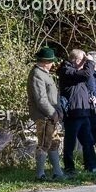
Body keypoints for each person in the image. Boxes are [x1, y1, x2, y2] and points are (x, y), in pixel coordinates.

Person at [58, 49, 96, 174]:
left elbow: (87, 79)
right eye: (83, 60)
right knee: (70, 143)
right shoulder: (66, 71)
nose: (85, 63)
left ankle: (91, 166)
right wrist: (90, 62)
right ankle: (69, 168)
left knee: (88, 141)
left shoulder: (77, 72)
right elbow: (87, 74)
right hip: (73, 113)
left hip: (83, 111)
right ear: (77, 60)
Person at [27, 47, 65, 181]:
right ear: (45, 62)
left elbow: (53, 96)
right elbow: (41, 99)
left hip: (51, 115)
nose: (53, 64)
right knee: (44, 143)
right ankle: (40, 175)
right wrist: (52, 113)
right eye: (51, 61)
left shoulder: (44, 73)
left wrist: (58, 111)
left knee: (53, 143)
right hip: (44, 116)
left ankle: (58, 173)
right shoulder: (37, 74)